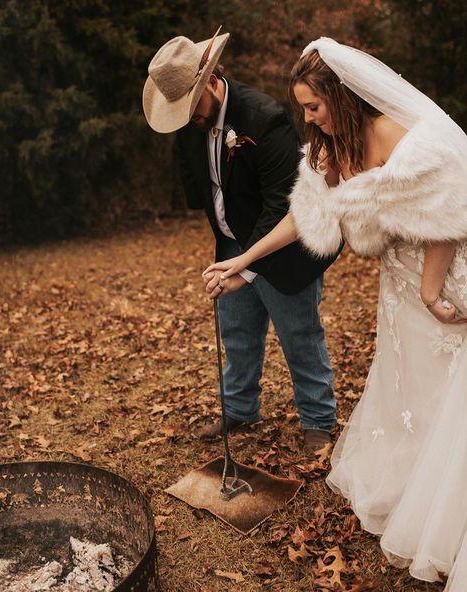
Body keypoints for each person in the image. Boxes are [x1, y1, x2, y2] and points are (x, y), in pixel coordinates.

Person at [203, 37, 467, 590]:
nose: (308, 118)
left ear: (344, 97)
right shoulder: (330, 148)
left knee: (451, 391)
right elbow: (302, 217)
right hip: (399, 283)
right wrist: (243, 262)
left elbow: (449, 213)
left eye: (314, 106)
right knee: (410, 383)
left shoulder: (406, 137)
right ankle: (412, 483)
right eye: (303, 107)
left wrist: (430, 292)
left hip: (441, 276)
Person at [142, 30, 339, 452]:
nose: (189, 120)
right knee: (236, 332)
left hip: (282, 247)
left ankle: (319, 420)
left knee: (299, 334)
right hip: (231, 242)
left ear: (210, 82)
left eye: (191, 107)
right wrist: (227, 246)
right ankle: (239, 409)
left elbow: (283, 203)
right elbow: (201, 186)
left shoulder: (263, 117)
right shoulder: (190, 124)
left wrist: (246, 265)